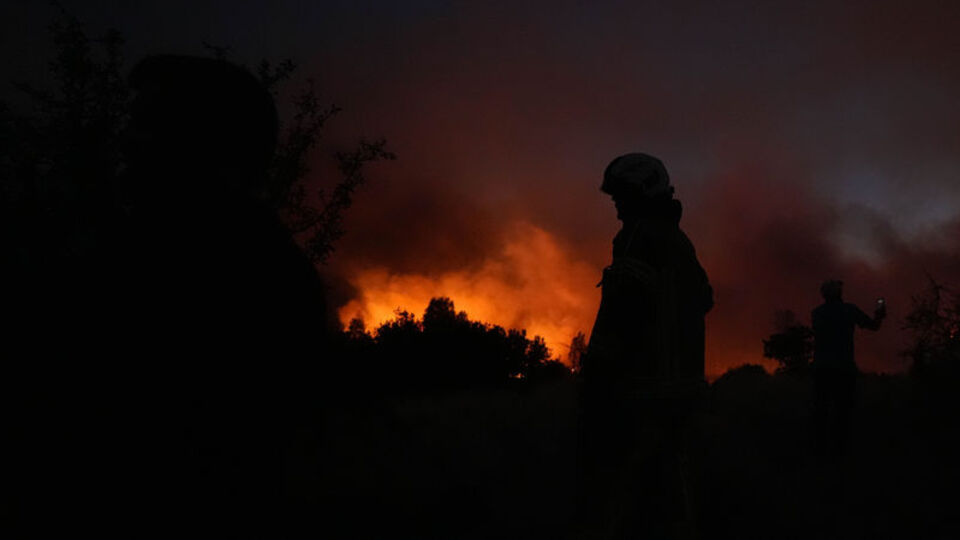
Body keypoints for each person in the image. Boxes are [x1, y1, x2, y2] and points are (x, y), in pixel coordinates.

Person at [577, 153, 713, 538]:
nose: (616, 205)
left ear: (644, 194)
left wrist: (596, 381)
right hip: (683, 391)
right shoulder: (679, 242)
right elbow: (704, 298)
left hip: (642, 392)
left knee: (624, 497)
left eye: (622, 195)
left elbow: (621, 312)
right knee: (672, 490)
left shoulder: (637, 237)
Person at [811, 279, 885, 458]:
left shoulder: (817, 313)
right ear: (839, 293)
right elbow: (873, 326)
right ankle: (840, 453)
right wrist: (880, 314)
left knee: (821, 411)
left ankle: (819, 452)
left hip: (821, 368)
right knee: (842, 411)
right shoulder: (849, 310)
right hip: (844, 368)